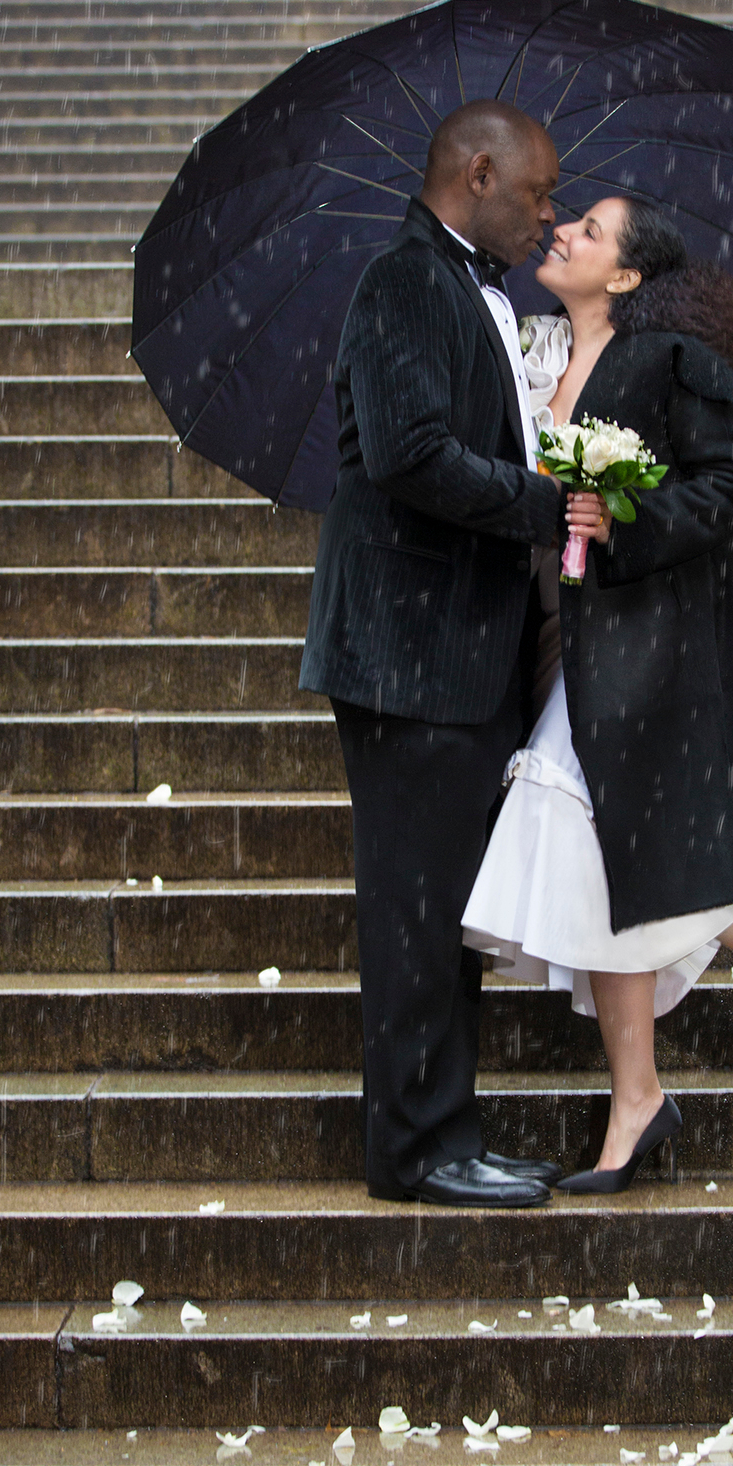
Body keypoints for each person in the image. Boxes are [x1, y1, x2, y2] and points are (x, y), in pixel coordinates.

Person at [462, 195, 733, 1193]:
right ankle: (719, 976)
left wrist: (624, 517)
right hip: (570, 640)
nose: (564, 235)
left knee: (579, 827)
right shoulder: (538, 357)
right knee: (593, 860)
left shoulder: (669, 359)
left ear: (625, 276)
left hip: (654, 654)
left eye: (588, 231)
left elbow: (731, 487)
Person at [298, 99, 570, 1208]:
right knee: (414, 908)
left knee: (446, 907)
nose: (548, 219)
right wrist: (541, 500)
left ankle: (446, 1129)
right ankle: (414, 1149)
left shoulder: (470, 290)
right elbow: (411, 453)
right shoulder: (405, 280)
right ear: (475, 173)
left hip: (458, 651)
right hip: (409, 654)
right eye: (537, 195)